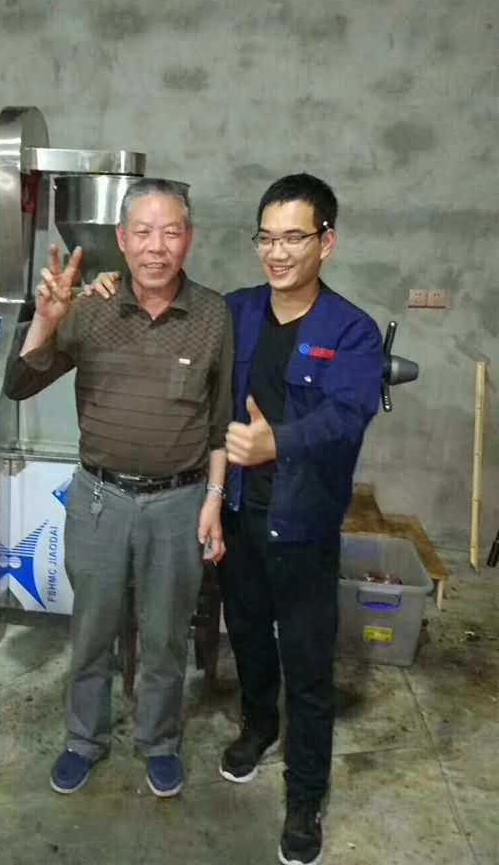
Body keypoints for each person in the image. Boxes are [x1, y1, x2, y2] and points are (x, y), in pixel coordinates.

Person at [87, 173, 384, 865]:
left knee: (307, 664)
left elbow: (349, 414)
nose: (277, 253)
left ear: (326, 242)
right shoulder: (237, 311)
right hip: (241, 514)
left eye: (293, 238)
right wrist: (108, 284)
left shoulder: (351, 331)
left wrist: (280, 440)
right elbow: (171, 306)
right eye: (266, 238)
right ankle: (257, 726)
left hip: (303, 525)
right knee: (246, 633)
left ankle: (305, 796)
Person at [4, 177, 234, 799]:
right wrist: (46, 321)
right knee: (92, 630)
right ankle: (84, 739)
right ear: (122, 239)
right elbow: (19, 385)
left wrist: (214, 501)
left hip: (180, 502)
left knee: (165, 635)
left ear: (189, 239)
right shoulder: (89, 307)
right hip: (100, 500)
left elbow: (219, 422)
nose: (157, 246)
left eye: (171, 232)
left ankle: (159, 742)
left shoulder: (213, 315)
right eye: (143, 232)